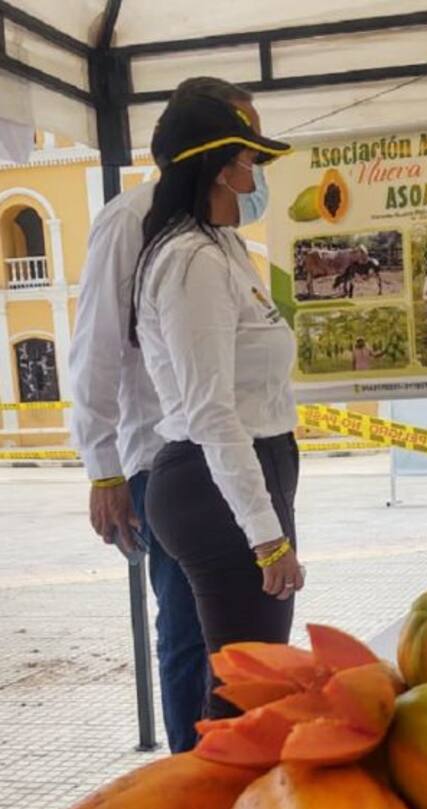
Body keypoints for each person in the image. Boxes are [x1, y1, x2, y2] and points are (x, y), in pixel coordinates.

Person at [68, 77, 260, 752]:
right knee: (187, 632)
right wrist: (103, 470)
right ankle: (192, 776)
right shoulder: (131, 221)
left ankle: (234, 776)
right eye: (245, 149)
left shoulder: (220, 231)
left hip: (232, 461)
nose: (253, 169)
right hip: (166, 457)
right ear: (208, 145)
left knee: (239, 639)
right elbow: (94, 348)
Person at [131, 92, 302, 721]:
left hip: (244, 475)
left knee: (251, 684)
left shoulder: (223, 248)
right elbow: (210, 412)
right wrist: (266, 537)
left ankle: (229, 808)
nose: (256, 176)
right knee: (247, 695)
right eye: (249, 160)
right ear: (221, 167)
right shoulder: (191, 262)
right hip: (216, 487)